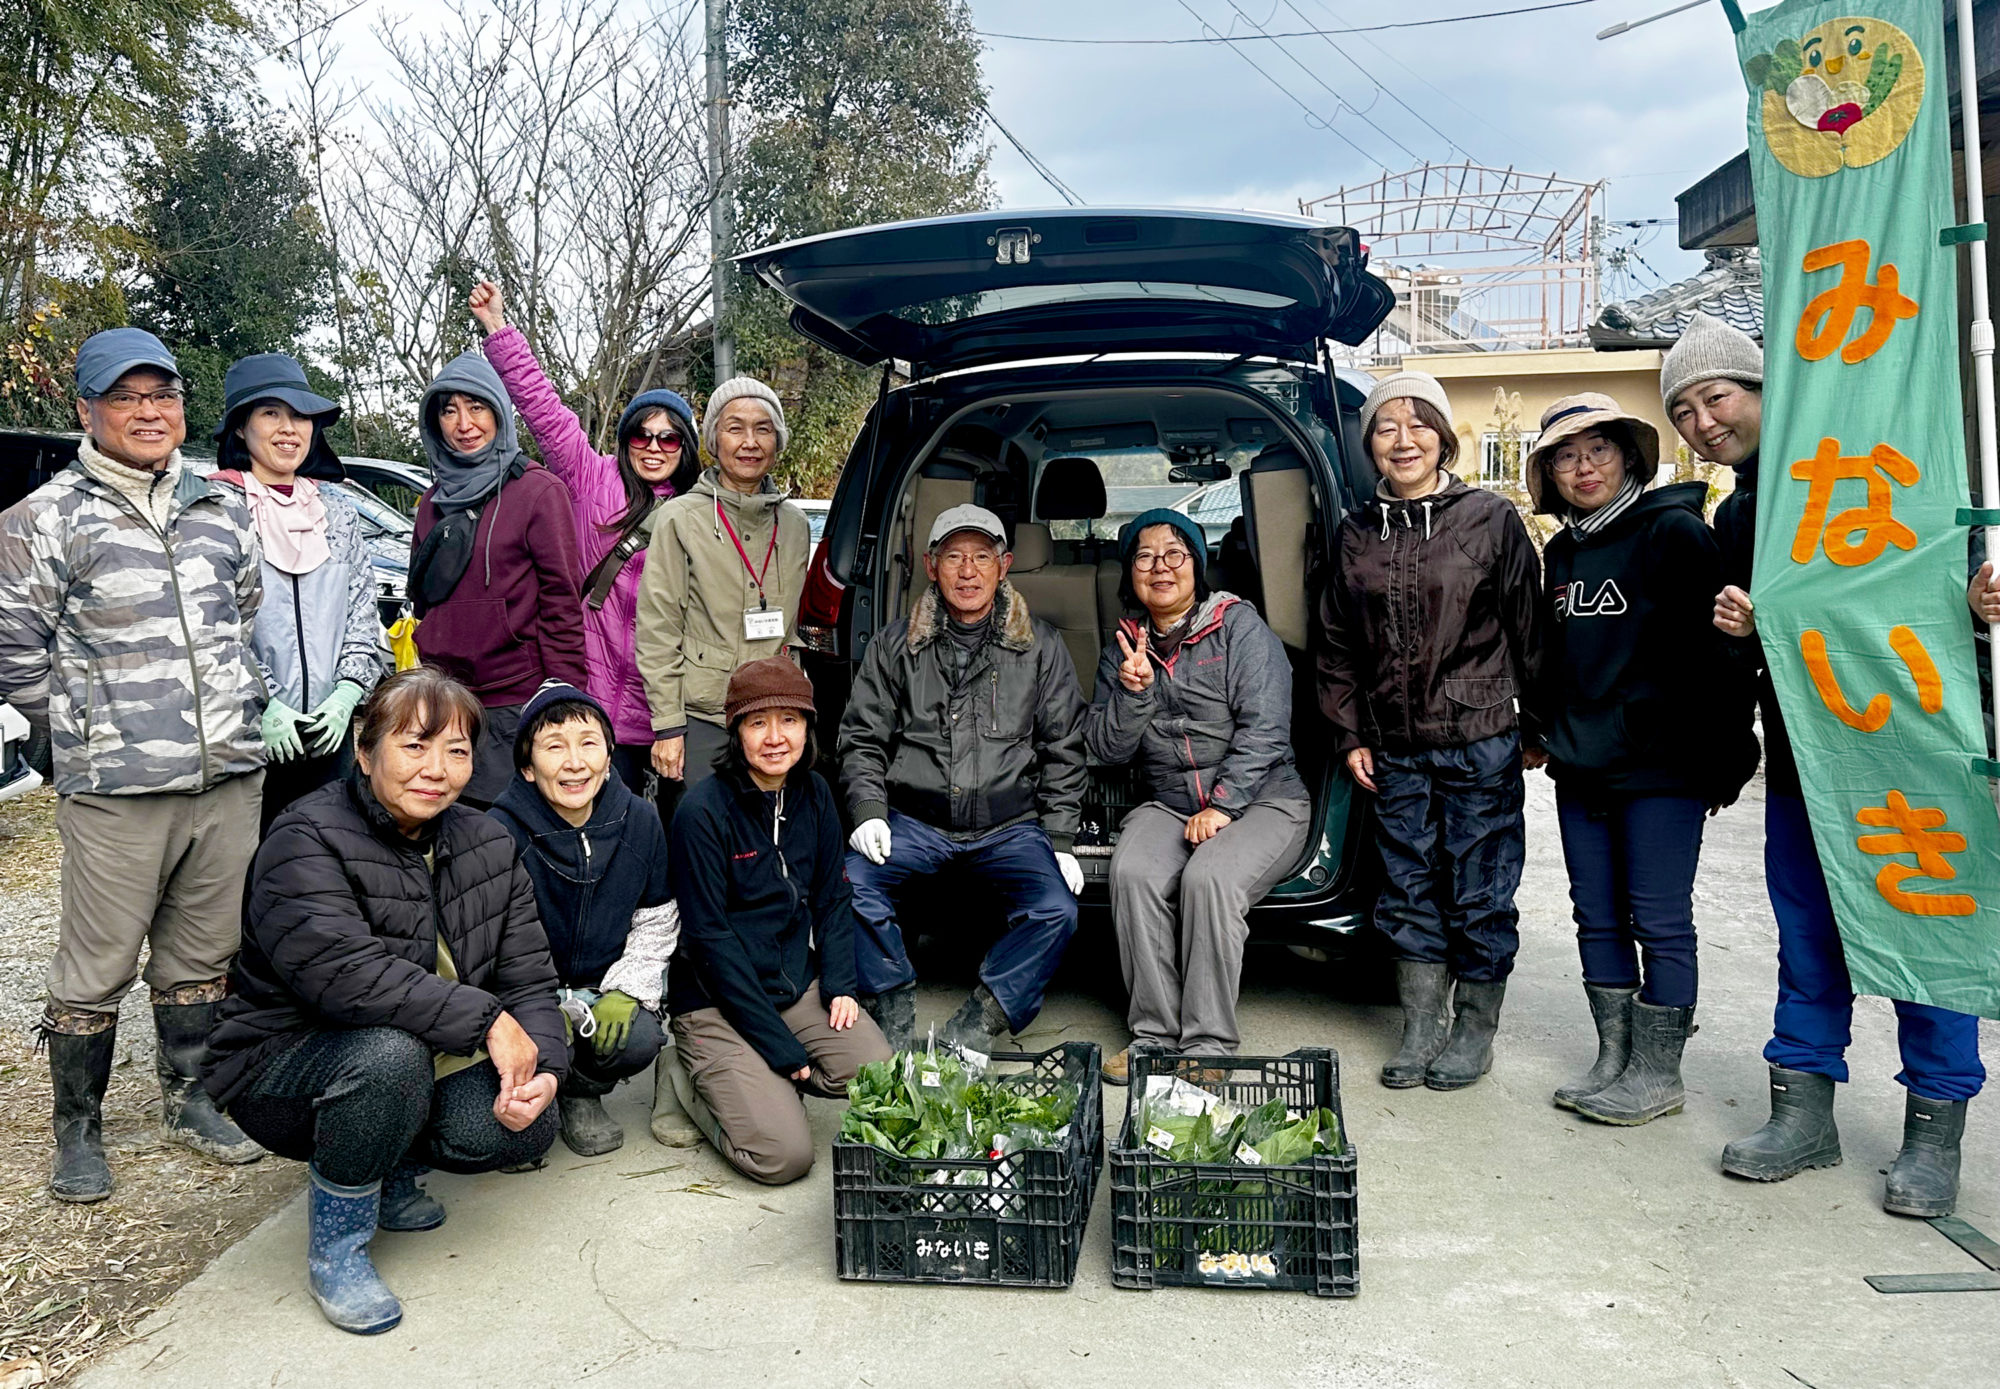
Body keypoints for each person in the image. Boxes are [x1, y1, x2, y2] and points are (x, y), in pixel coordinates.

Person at [1670, 313, 1987, 1212]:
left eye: (1716, 397)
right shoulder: (1739, 515)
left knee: (1927, 924)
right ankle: (1803, 1115)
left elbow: (1954, 583)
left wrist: (1977, 597)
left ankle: (1935, 1135)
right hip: (1809, 759)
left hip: (1915, 755)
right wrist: (1738, 633)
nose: (1703, 423)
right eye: (1684, 412)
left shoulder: (1885, 467)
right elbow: (1748, 651)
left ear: (1766, 390)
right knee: (1808, 935)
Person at [203, 668, 566, 1335]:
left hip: (419, 1048)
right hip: (284, 1062)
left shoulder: (487, 841)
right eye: (414, 745)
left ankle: (392, 1165)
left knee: (523, 1124)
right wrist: (488, 1021)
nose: (437, 769)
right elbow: (345, 975)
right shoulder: (304, 837)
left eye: (456, 750)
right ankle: (338, 1247)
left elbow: (529, 977)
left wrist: (544, 1069)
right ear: (365, 752)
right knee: (388, 1057)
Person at [0, 328, 266, 1203]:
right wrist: (80, 734)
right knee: (97, 964)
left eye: (163, 395)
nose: (149, 412)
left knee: (203, 951)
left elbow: (244, 616)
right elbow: (13, 649)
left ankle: (190, 1099)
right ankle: (78, 1127)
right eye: (126, 397)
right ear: (87, 410)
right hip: (116, 789)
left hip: (226, 776)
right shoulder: (43, 520)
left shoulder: (222, 507)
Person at [1529, 390, 1756, 1127]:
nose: (1584, 467)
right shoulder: (1562, 554)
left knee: (1658, 917)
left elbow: (1723, 655)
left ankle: (1659, 1073)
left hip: (1663, 766)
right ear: (1550, 474)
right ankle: (1615, 1057)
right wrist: (1543, 728)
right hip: (1581, 765)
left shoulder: (1674, 533)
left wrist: (1727, 757)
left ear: (1628, 456)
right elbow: (1556, 659)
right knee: (1594, 914)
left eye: (1599, 449)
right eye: (1566, 457)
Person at [1315, 373, 1544, 1092]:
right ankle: (1421, 1025)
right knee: (1406, 887)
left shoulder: (1488, 518)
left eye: (1418, 424)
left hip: (1479, 734)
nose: (1403, 440)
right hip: (1393, 744)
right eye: (1386, 427)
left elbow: (1529, 628)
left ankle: (1474, 1028)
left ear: (1443, 438)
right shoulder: (1356, 533)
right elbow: (1336, 644)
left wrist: (1536, 725)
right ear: (1371, 447)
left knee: (1481, 889)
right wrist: (1350, 731)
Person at [839, 505, 1088, 1055]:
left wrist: (1060, 836)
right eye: (954, 557)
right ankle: (891, 1008)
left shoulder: (1040, 646)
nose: (968, 571)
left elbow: (1064, 747)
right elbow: (861, 739)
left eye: (981, 557)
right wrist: (868, 811)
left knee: (1056, 910)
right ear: (932, 566)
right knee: (849, 885)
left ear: (1005, 566)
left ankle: (977, 1025)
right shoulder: (895, 645)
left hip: (1009, 826)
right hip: (916, 822)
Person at [1086, 508, 1310, 1083]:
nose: (1160, 567)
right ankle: (1153, 1038)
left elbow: (1267, 728)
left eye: (1174, 554)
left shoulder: (1238, 628)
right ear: (1130, 574)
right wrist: (1133, 694)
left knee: (1208, 879)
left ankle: (1208, 1046)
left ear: (1196, 565)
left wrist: (1224, 804)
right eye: (1144, 557)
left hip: (1263, 799)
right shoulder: (1123, 649)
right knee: (1132, 872)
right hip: (1169, 801)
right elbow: (1106, 750)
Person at [470, 282, 702, 804]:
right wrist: (498, 327)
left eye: (669, 437)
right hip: (586, 699)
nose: (654, 447)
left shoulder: (696, 510)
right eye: (641, 434)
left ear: (685, 446)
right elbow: (541, 405)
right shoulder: (589, 475)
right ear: (625, 439)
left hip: (662, 709)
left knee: (659, 828)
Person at [667, 657, 890, 1184]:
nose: (774, 738)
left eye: (789, 720)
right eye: (757, 722)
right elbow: (710, 940)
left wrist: (840, 983)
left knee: (878, 1077)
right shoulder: (701, 812)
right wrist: (779, 1047)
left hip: (791, 984)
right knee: (784, 1157)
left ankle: (760, 1082)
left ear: (807, 726)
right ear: (736, 731)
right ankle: (682, 1081)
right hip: (716, 999)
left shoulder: (815, 793)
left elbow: (833, 897)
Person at [489, 680, 680, 1156]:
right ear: (527, 767)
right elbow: (488, 938)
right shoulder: (498, 831)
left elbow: (657, 915)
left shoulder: (640, 819)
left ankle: (580, 1091)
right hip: (527, 993)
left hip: (603, 985)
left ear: (609, 756)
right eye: (554, 747)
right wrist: (535, 1002)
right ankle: (531, 1091)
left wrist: (627, 989)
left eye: (589, 743)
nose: (575, 762)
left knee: (639, 1037)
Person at [209, 353, 386, 833]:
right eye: (271, 414)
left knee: (326, 857)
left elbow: (361, 610)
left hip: (329, 740)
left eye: (301, 415)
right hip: (244, 738)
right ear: (240, 427)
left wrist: (347, 693)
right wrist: (265, 700)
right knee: (252, 864)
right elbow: (215, 624)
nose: (289, 429)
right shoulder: (215, 510)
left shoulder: (338, 511)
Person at [407, 351, 588, 807]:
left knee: (511, 827)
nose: (464, 424)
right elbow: (423, 601)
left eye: (477, 407)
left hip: (515, 700)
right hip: (446, 702)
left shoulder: (539, 491)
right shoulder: (432, 501)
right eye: (449, 411)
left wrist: (564, 699)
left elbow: (562, 601)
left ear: (499, 412)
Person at [634, 377, 809, 806]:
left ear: (778, 441)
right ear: (713, 440)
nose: (750, 442)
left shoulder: (795, 525)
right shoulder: (681, 518)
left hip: (772, 716)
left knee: (768, 830)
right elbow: (658, 629)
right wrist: (668, 726)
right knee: (704, 832)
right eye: (735, 428)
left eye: (763, 429)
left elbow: (792, 626)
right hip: (703, 717)